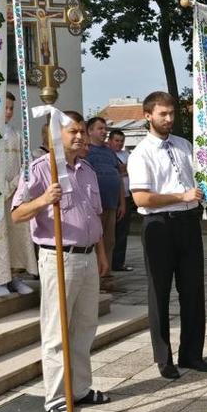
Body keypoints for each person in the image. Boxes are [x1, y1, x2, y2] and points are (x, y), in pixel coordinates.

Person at [12, 110, 112, 412]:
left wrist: (102, 253)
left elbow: (94, 216)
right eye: (73, 132)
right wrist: (43, 200)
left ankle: (80, 388)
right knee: (57, 331)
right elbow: (17, 213)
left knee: (84, 327)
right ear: (56, 135)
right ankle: (56, 396)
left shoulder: (87, 170)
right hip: (58, 256)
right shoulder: (39, 170)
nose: (80, 136)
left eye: (82, 131)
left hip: (86, 255)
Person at [128, 91, 207, 379]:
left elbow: (198, 184)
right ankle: (164, 358)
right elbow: (141, 199)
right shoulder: (141, 154)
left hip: (188, 222)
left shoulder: (185, 145)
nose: (169, 119)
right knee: (159, 292)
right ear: (148, 115)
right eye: (162, 114)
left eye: (171, 113)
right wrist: (179, 196)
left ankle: (192, 353)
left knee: (193, 290)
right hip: (158, 226)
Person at [0, 91, 38, 297]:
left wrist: (18, 183)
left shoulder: (18, 134)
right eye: (5, 107)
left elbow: (26, 162)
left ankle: (15, 276)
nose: (9, 112)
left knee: (17, 235)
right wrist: (0, 186)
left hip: (15, 194)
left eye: (11, 108)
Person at [85, 116, 125, 291]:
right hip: (95, 206)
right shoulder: (86, 151)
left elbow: (118, 176)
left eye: (105, 128)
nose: (104, 132)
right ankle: (95, 278)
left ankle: (106, 276)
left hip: (111, 204)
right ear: (90, 131)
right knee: (95, 241)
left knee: (109, 240)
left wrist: (122, 202)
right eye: (100, 128)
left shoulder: (110, 152)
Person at [109, 129, 134, 272]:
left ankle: (119, 262)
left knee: (122, 231)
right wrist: (122, 171)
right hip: (112, 197)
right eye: (116, 140)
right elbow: (117, 172)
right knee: (110, 232)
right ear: (110, 141)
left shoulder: (127, 155)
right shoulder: (107, 155)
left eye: (121, 141)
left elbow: (130, 170)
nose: (119, 143)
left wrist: (122, 170)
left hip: (126, 196)